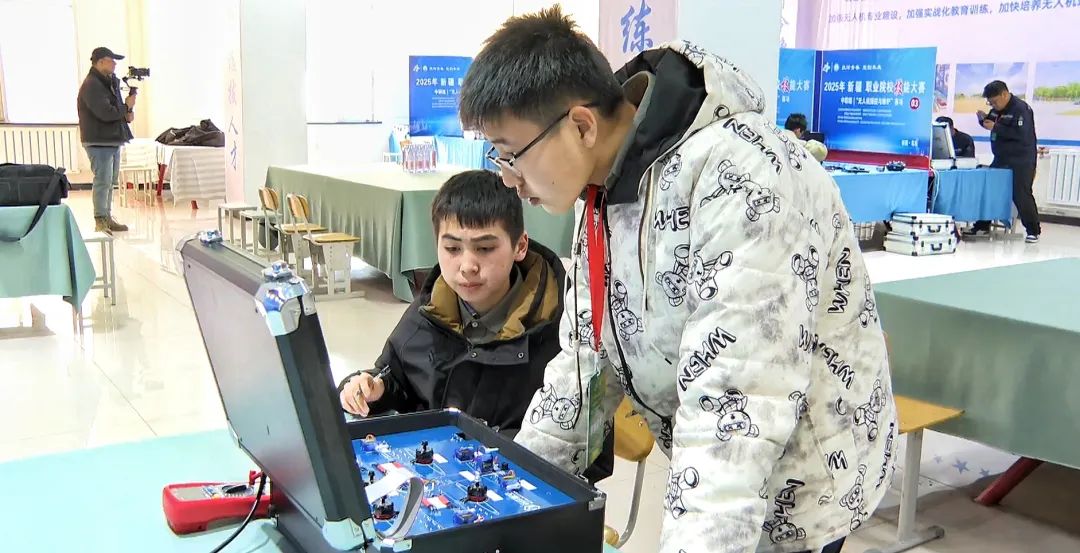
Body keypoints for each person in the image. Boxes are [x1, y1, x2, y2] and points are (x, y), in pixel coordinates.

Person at [460, 7, 895, 553]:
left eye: (511, 155)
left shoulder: (743, 178)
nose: (509, 180)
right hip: (723, 468)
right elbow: (584, 361)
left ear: (581, 126)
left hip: (801, 481)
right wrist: (509, 502)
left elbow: (736, 403)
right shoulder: (601, 191)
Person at [336, 170, 612, 482]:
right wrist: (374, 389)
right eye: (452, 249)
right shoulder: (431, 308)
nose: (467, 266)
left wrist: (484, 452)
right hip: (435, 478)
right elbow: (396, 376)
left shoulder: (569, 328)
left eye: (485, 248)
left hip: (514, 488)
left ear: (520, 246)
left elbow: (592, 452)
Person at [967, 80, 1041, 243]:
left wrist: (995, 127)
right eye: (990, 103)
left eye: (994, 101)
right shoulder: (996, 111)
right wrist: (982, 120)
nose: (993, 105)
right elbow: (991, 124)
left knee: (1021, 194)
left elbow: (1020, 134)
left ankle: (1033, 231)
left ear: (1004, 94)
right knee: (990, 190)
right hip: (1001, 158)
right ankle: (982, 226)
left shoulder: (1021, 109)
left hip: (1021, 159)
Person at [77, 46, 133, 233]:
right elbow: (106, 113)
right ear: (100, 62)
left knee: (110, 181)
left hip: (111, 139)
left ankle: (107, 217)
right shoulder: (92, 85)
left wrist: (126, 111)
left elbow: (115, 109)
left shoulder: (108, 83)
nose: (115, 64)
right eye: (111, 60)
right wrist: (126, 107)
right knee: (102, 181)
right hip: (99, 141)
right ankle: (100, 219)